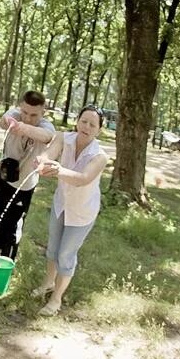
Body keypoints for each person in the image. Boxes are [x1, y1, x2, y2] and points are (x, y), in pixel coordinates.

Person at [30, 105, 109, 316]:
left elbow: (83, 179)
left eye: (93, 124)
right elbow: (49, 153)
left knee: (65, 254)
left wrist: (59, 170)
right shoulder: (64, 138)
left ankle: (56, 299)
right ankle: (47, 283)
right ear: (77, 121)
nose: (87, 126)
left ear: (99, 130)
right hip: (62, 204)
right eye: (84, 121)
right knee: (53, 248)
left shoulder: (100, 156)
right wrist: (42, 160)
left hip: (83, 212)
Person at [0, 90, 55, 260]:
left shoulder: (46, 126)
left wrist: (24, 128)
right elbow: (4, 121)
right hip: (2, 177)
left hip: (24, 186)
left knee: (14, 227)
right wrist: (12, 123)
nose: (27, 117)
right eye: (25, 112)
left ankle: (6, 261)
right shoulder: (14, 115)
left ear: (43, 112)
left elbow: (47, 136)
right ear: (20, 107)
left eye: (34, 115)